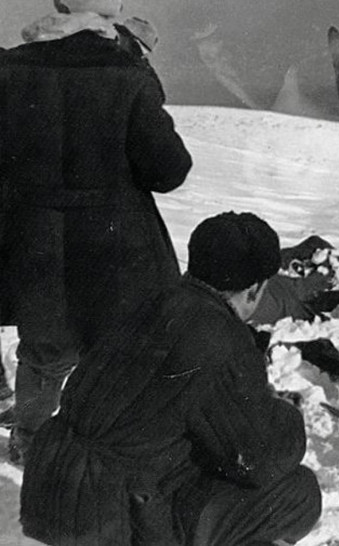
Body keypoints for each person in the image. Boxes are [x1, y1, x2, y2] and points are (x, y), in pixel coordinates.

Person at [20, 211, 322, 545]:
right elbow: (260, 459)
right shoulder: (219, 334)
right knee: (297, 493)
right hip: (110, 516)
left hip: (51, 486)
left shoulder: (145, 300)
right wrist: (284, 412)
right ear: (253, 289)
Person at [0, 0, 192, 463]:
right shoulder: (127, 72)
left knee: (43, 347)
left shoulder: (8, 68)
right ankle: (108, 446)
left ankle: (30, 443)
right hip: (115, 242)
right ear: (112, 12)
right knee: (116, 348)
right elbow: (169, 170)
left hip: (33, 238)